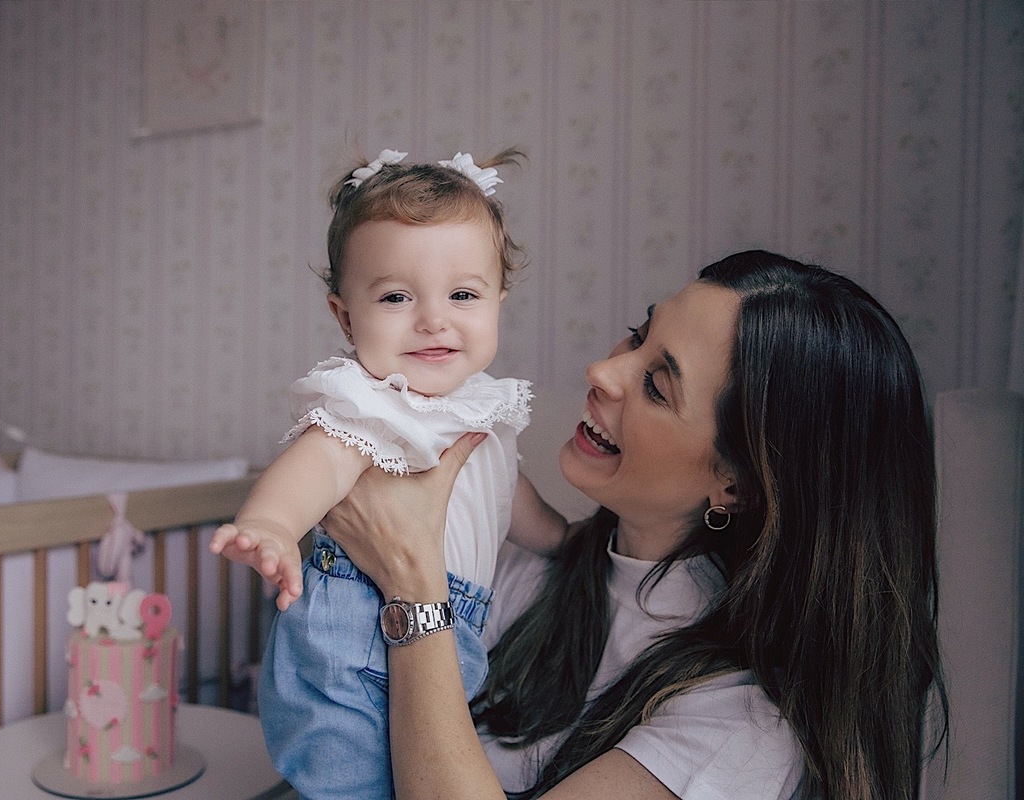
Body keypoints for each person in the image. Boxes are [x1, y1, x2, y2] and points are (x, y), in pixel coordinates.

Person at [321, 250, 949, 800]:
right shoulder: (535, 572)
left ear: (739, 484)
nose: (602, 371)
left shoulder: (741, 727)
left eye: (656, 386)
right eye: (636, 335)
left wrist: (412, 585)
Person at [209, 148, 566, 799]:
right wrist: (273, 524)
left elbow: (506, 496)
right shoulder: (374, 400)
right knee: (351, 780)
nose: (434, 319)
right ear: (346, 316)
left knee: (417, 769)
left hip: (449, 626)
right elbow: (320, 460)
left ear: (499, 302)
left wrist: (564, 539)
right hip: (357, 631)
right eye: (397, 297)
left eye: (463, 294)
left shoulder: (484, 406)